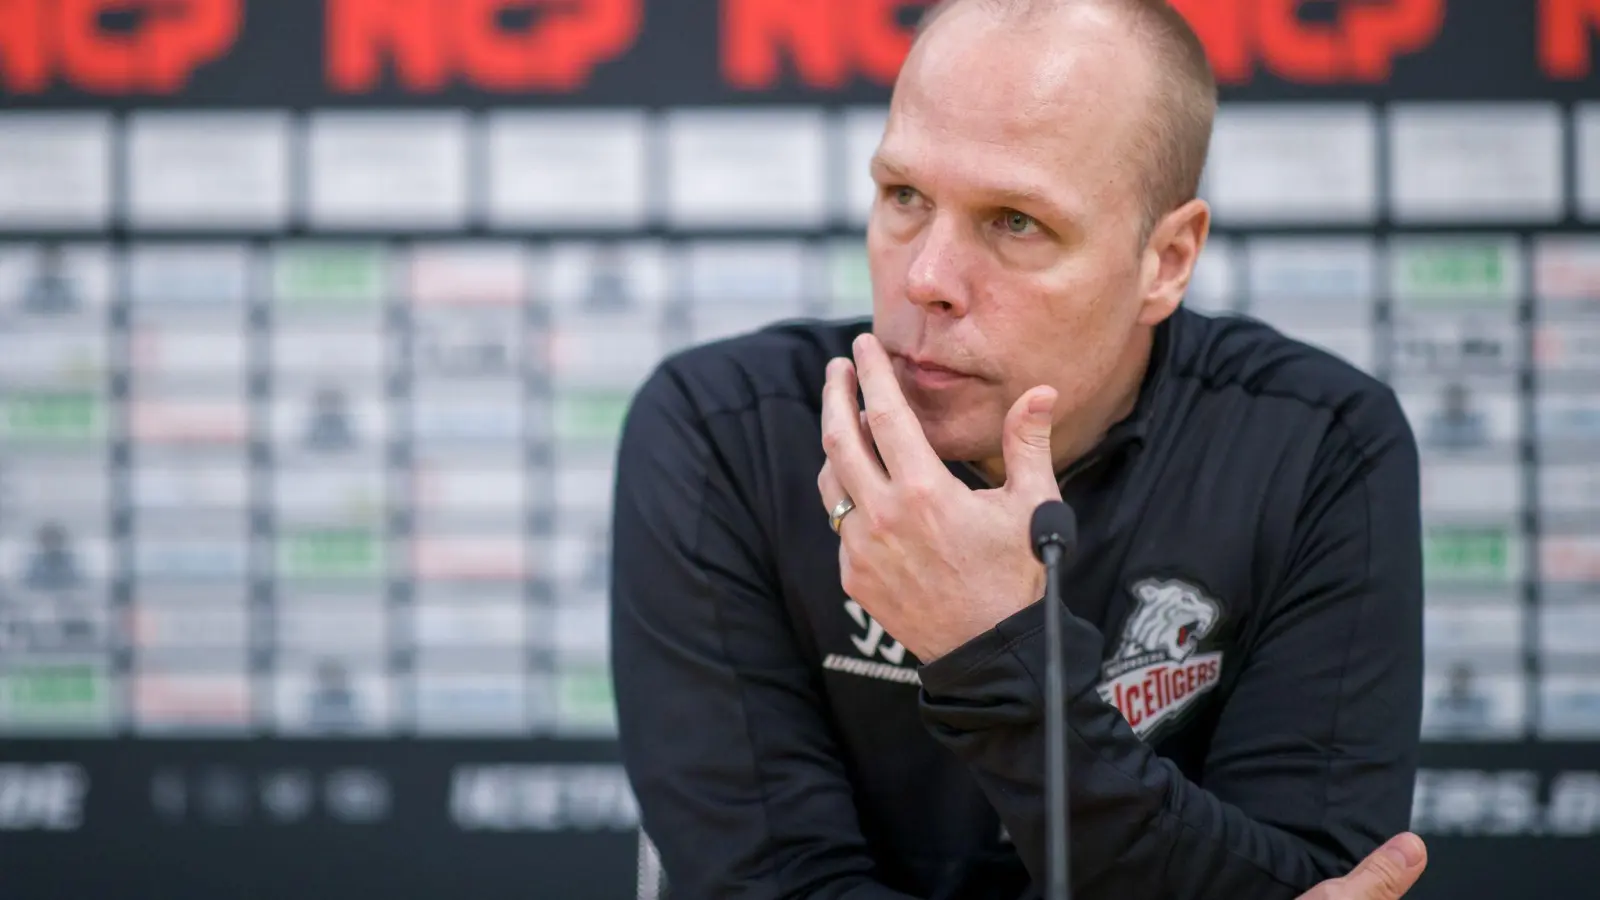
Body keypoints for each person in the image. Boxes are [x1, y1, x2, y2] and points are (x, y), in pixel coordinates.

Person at [609, 1, 1424, 898]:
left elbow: (1301, 875)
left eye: (1015, 222)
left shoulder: (1316, 448)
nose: (926, 277)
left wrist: (986, 646)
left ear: (1167, 259)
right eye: (905, 197)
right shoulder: (724, 433)